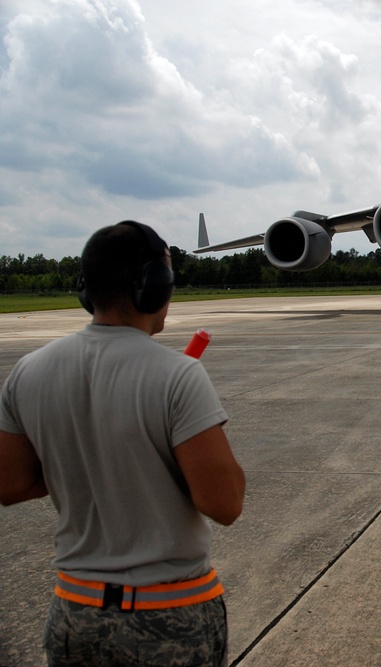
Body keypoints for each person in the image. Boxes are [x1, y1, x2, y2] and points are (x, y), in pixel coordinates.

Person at [0, 221, 245, 667]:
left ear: (85, 289)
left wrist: (89, 463)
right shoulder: (177, 375)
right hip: (169, 615)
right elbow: (224, 503)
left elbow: (11, 485)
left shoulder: (28, 372)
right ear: (155, 287)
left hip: (74, 614)